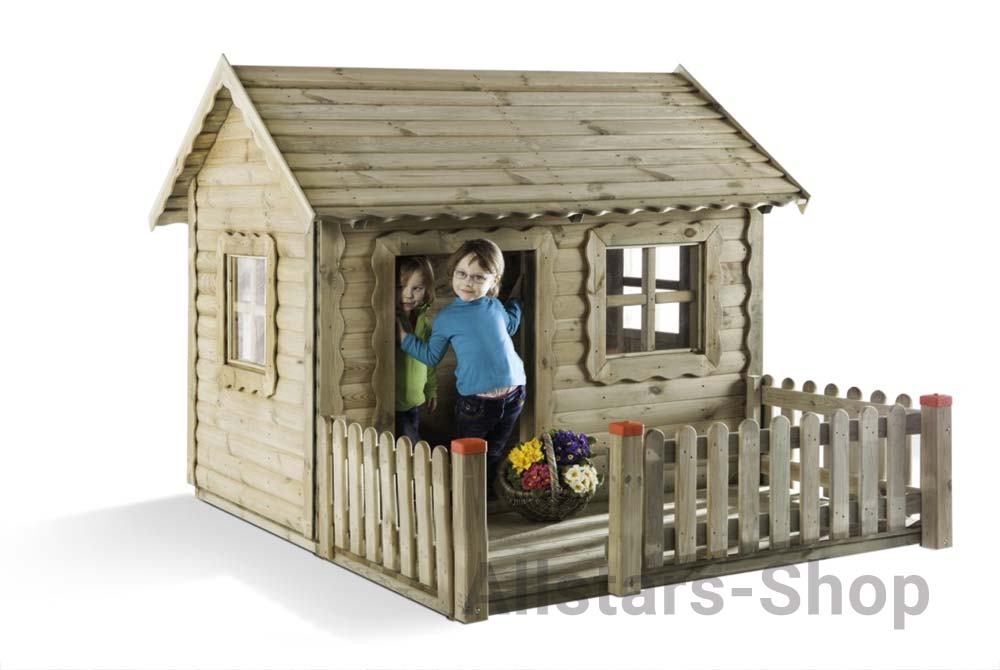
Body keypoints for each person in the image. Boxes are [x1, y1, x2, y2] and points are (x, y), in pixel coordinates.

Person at [397, 239, 526, 494]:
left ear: (493, 280)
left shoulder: (494, 305)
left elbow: (510, 325)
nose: (468, 282)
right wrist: (404, 338)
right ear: (452, 273)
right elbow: (431, 356)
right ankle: (464, 497)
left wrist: (517, 302)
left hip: (515, 395)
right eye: (462, 274)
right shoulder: (447, 317)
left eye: (478, 277)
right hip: (477, 403)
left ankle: (484, 498)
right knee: (467, 454)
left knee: (495, 451)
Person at [394, 256, 438, 446]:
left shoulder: (423, 321)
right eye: (400, 287)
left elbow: (428, 359)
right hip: (393, 405)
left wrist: (431, 389)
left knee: (409, 455)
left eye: (417, 288)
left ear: (426, 290)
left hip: (415, 403)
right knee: (414, 450)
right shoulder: (389, 320)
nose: (408, 295)